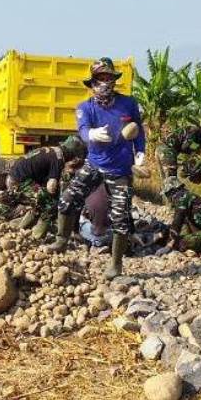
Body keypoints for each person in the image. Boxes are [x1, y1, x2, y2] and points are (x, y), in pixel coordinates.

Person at [46, 57, 146, 280]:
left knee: (121, 217)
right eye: (100, 78)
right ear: (92, 83)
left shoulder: (128, 103)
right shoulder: (85, 107)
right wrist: (90, 134)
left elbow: (139, 130)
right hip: (94, 164)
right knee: (67, 200)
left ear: (114, 80)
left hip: (120, 170)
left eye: (109, 77)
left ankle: (116, 264)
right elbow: (82, 128)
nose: (105, 82)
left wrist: (140, 152)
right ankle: (61, 240)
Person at [0, 136, 86, 239]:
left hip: (16, 178)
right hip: (19, 183)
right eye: (75, 157)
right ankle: (37, 235)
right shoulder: (59, 158)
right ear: (71, 153)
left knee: (44, 199)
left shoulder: (53, 151)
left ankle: (24, 226)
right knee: (50, 203)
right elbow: (51, 187)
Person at [78, 183, 112, 248]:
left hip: (94, 232)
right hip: (108, 233)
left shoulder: (89, 194)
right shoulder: (116, 196)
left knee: (82, 223)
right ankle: (101, 243)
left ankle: (96, 243)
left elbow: (82, 216)